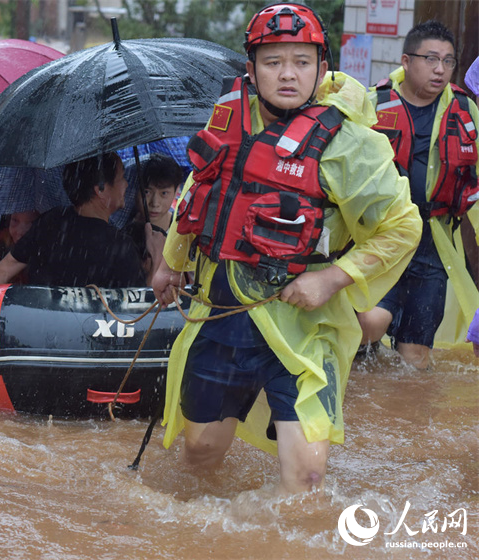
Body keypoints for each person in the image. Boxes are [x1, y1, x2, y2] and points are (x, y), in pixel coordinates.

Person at [151, 3, 421, 494]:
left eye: (302, 61)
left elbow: (402, 227)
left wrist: (332, 278)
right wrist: (171, 263)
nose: (289, 74)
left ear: (323, 67)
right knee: (200, 456)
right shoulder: (229, 117)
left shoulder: (350, 142)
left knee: (307, 479)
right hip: (222, 312)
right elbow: (199, 188)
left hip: (303, 328)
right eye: (274, 62)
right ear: (251, 69)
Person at [357, 20, 479, 369]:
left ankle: (407, 415)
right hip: (380, 237)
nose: (440, 69)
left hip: (433, 244)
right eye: (430, 59)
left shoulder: (465, 110)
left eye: (448, 61)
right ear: (407, 61)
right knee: (369, 325)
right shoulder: (371, 104)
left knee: (416, 356)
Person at [0, 153, 162, 287]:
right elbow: (137, 314)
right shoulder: (120, 246)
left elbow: (2, 270)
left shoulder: (52, 221)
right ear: (100, 190)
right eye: (122, 178)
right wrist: (156, 260)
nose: (126, 184)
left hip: (40, 328)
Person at [141, 153, 185, 234]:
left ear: (176, 192)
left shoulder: (183, 232)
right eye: (146, 192)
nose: (155, 203)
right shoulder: (122, 232)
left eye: (164, 193)